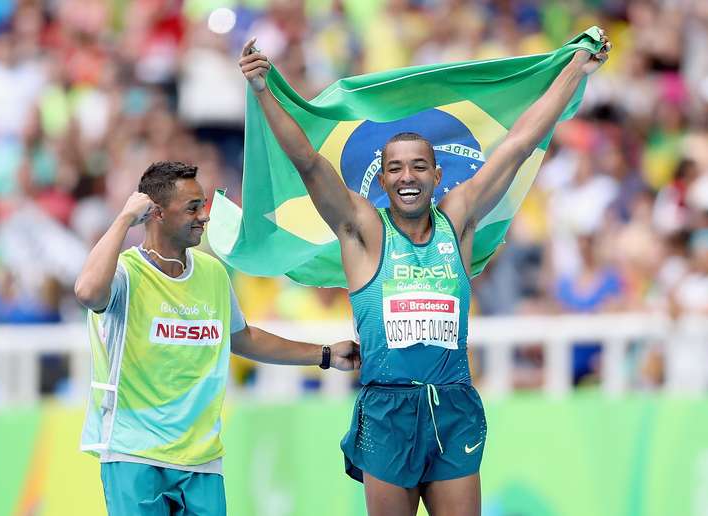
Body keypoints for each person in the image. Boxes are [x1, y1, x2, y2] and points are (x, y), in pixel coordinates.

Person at [239, 30, 611, 516]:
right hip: (387, 410)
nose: (407, 176)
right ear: (382, 176)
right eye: (395, 168)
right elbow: (309, 163)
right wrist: (265, 92)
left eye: (419, 167)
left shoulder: (458, 220)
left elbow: (521, 141)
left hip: (452, 406)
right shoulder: (363, 231)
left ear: (438, 176)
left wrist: (575, 69)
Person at [74, 161, 360, 516]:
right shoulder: (124, 274)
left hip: (202, 459)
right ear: (157, 213)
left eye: (204, 205)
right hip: (134, 453)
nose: (204, 216)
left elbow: (245, 338)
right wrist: (123, 219)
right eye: (192, 207)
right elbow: (87, 292)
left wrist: (326, 354)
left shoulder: (212, 274)